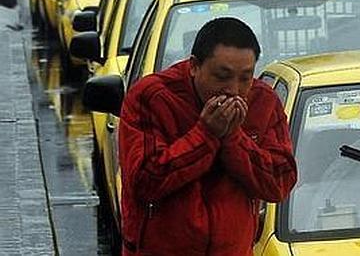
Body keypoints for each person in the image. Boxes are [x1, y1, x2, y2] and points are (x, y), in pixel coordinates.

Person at [118, 17, 297, 255]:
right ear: (194, 66)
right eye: (222, 77)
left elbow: (279, 182)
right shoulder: (153, 97)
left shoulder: (263, 102)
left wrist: (234, 138)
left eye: (245, 78)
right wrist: (206, 134)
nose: (234, 90)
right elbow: (144, 181)